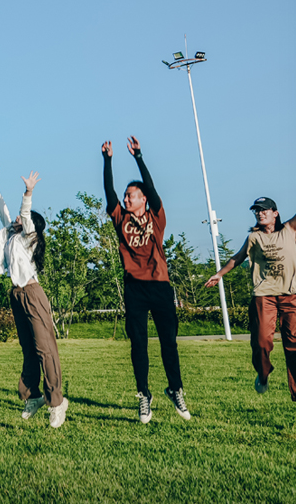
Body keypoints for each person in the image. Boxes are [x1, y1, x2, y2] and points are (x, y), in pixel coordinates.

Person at [206, 170, 296, 427]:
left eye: (264, 210)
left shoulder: (289, 229)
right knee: (262, 341)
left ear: (275, 213)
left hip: (292, 297)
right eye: (256, 211)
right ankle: (263, 374)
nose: (260, 213)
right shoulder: (254, 237)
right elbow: (237, 258)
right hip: (264, 296)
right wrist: (219, 274)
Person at [103, 136, 190, 424]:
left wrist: (139, 158)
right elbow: (109, 193)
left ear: (143, 199)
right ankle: (143, 394)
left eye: (131, 195)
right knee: (138, 343)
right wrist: (107, 161)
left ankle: (175, 389)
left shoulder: (156, 216)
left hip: (160, 286)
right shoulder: (120, 218)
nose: (126, 199)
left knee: (168, 342)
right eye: (126, 196)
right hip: (135, 288)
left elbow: (152, 189)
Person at [0, 166, 67, 427]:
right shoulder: (10, 235)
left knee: (45, 349)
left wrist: (28, 192)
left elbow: (24, 213)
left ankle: (57, 402)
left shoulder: (28, 237)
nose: (17, 218)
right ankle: (33, 396)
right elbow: (2, 210)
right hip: (16, 295)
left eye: (23, 218)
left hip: (33, 294)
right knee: (28, 349)